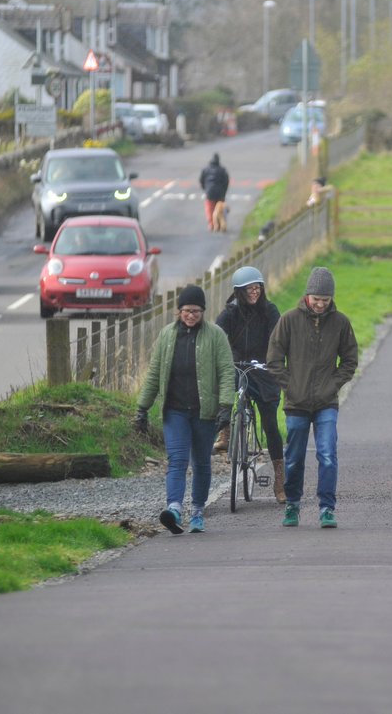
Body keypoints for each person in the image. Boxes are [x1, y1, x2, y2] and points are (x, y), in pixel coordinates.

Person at [136, 285, 235, 535]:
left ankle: (198, 512)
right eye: (187, 311)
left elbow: (226, 372)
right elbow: (154, 374)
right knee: (177, 461)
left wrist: (225, 406)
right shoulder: (167, 336)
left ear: (203, 312)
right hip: (175, 411)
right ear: (178, 311)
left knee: (201, 463)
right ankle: (174, 509)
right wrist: (142, 408)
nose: (191, 315)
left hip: (205, 413)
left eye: (196, 311)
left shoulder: (216, 336)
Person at [267, 267, 359, 529]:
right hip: (296, 403)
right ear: (307, 295)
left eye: (325, 300)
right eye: (316, 299)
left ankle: (327, 508)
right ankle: (293, 505)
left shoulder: (341, 323)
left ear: (331, 299)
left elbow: (350, 360)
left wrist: (334, 384)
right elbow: (274, 360)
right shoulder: (288, 320)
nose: (320, 304)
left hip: (326, 402)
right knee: (294, 456)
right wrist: (290, 386)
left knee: (328, 454)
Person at [214, 266, 286, 503]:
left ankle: (279, 477)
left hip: (263, 369)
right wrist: (224, 359)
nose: (254, 292)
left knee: (270, 423)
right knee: (224, 386)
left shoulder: (270, 311)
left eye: (257, 288)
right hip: (238, 365)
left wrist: (274, 362)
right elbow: (217, 337)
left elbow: (279, 339)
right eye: (249, 289)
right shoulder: (230, 314)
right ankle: (226, 430)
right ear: (239, 292)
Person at [199, 153, 230, 232]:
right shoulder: (222, 170)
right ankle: (221, 225)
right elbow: (226, 181)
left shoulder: (205, 169)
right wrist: (224, 192)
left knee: (210, 209)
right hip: (220, 193)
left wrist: (205, 189)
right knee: (220, 210)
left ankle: (212, 225)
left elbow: (201, 180)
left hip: (209, 192)